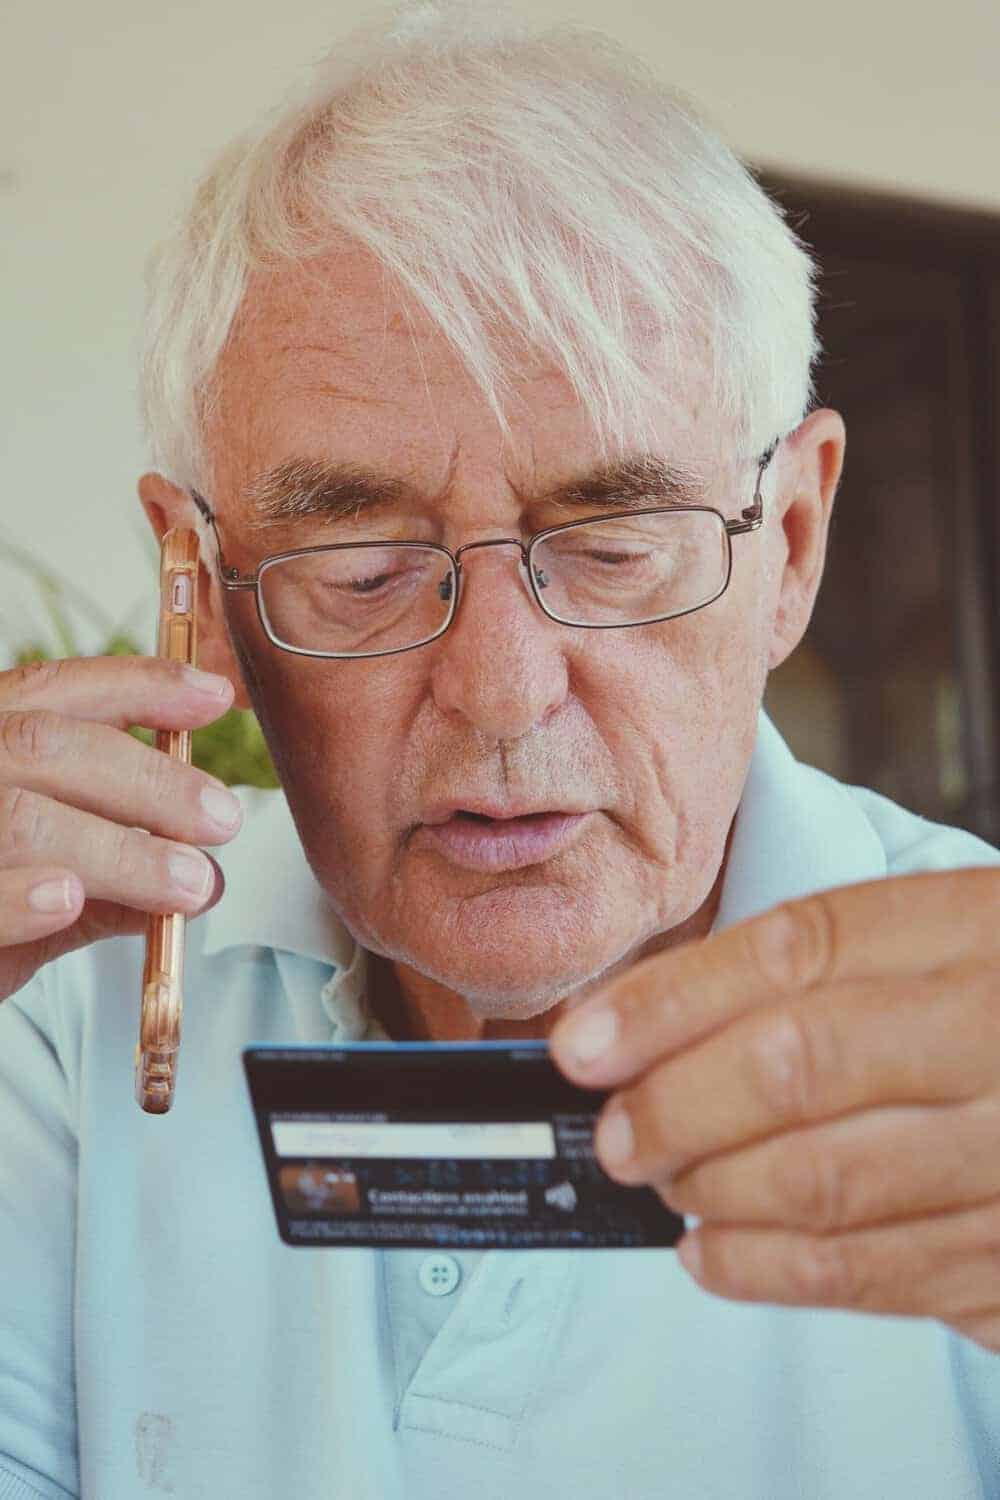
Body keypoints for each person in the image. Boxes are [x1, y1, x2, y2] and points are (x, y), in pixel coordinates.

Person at [1, 3, 998, 1497]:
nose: (503, 694)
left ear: (789, 544)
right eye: (361, 568)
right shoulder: (66, 1029)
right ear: (196, 592)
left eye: (612, 548)